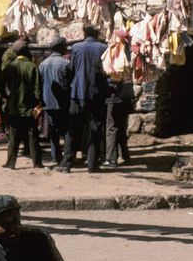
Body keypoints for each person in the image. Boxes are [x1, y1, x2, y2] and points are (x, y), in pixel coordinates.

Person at [63, 25, 109, 173]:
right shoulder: (103, 47)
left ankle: (67, 163)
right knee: (96, 128)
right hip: (97, 93)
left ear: (84, 33)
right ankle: (92, 164)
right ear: (97, 34)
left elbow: (72, 68)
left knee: (74, 127)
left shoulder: (76, 48)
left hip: (78, 92)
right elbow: (106, 70)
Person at [0, 37, 43, 169]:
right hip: (29, 107)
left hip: (13, 107)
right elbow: (37, 89)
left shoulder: (9, 67)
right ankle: (37, 163)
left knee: (14, 136)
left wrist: (6, 96)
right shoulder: (32, 67)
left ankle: (10, 163)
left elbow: (1, 85)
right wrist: (37, 103)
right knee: (33, 135)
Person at [39, 36, 73, 169]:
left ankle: (56, 156)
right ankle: (67, 157)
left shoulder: (43, 64)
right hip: (63, 102)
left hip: (48, 102)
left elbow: (39, 84)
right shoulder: (65, 63)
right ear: (60, 48)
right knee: (65, 130)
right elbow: (70, 82)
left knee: (53, 130)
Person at [102, 30, 135, 169]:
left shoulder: (116, 53)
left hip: (115, 95)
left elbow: (113, 72)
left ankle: (111, 159)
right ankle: (125, 155)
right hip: (127, 94)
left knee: (111, 127)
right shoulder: (130, 51)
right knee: (121, 126)